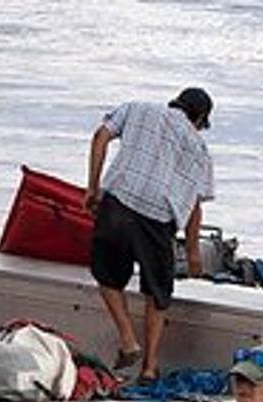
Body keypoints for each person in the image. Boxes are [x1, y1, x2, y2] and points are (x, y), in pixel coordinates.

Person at [84, 87, 214, 383]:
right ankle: (150, 367)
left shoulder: (137, 108)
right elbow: (194, 204)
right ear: (200, 118)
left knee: (107, 276)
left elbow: (100, 137)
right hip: (157, 219)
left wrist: (92, 188)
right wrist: (193, 253)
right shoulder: (198, 148)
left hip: (118, 200)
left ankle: (128, 339)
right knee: (157, 294)